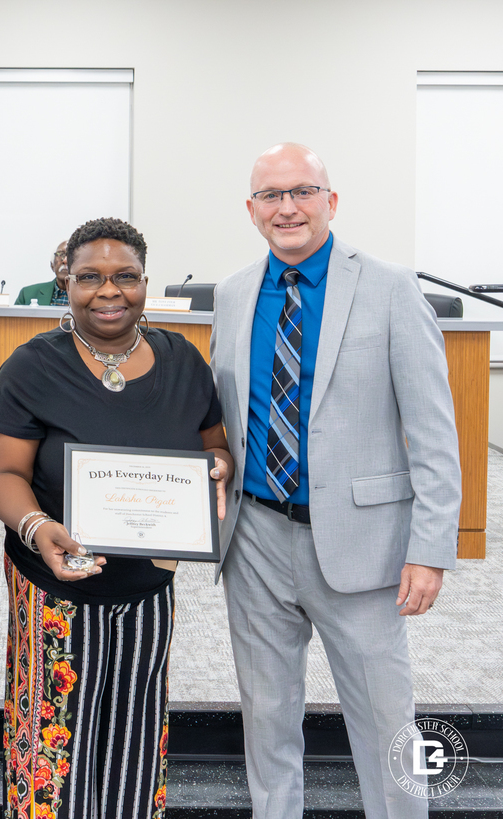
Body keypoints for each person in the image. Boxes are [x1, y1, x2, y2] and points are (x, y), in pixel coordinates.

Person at [210, 143, 462, 819]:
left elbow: (436, 432)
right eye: (270, 195)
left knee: (386, 723)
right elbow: (230, 418)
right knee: (266, 721)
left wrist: (431, 547)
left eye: (302, 191)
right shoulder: (234, 294)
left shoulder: (390, 288)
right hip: (255, 538)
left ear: (332, 200)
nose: (286, 207)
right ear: (251, 209)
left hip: (364, 543)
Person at [0, 217, 232, 818]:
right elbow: (5, 475)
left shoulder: (182, 361)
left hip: (148, 591)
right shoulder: (32, 366)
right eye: (89, 277)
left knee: (136, 748)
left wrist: (217, 472)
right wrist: (38, 529)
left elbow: (215, 448)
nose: (109, 291)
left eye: (126, 276)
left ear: (146, 281)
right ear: (64, 282)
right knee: (51, 753)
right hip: (55, 591)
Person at [14, 240, 70, 305]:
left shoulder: (84, 296)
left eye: (70, 255)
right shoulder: (27, 295)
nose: (65, 260)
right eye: (60, 254)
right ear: (52, 266)